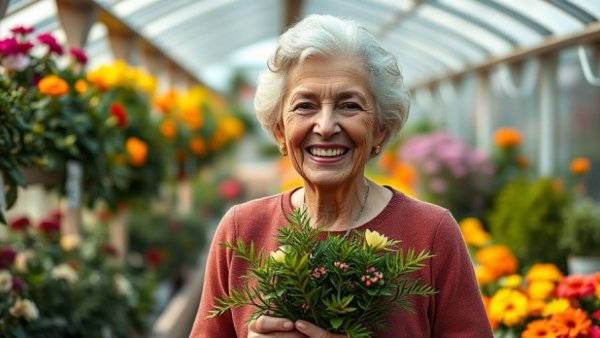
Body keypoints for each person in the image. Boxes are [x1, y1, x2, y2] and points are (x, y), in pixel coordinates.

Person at [189, 14, 493, 338]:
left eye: (349, 105)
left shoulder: (431, 234)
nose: (325, 126)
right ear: (280, 131)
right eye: (305, 105)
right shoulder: (242, 230)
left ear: (380, 129)